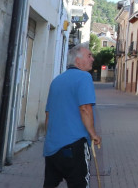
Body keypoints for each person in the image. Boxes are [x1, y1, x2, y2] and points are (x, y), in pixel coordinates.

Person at [42, 44, 102, 188]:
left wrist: (49, 139)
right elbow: (85, 109)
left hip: (52, 148)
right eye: (89, 55)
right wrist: (93, 134)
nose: (92, 59)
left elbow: (48, 115)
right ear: (78, 60)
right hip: (75, 146)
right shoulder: (84, 77)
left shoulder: (57, 81)